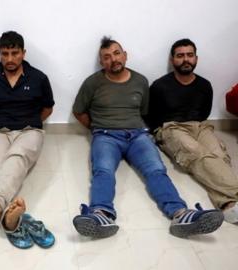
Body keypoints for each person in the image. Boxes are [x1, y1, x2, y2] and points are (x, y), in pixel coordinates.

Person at [71, 36, 224, 239]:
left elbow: (144, 112)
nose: (113, 59)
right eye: (106, 57)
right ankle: (101, 214)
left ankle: (181, 213)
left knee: (156, 170)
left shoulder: (140, 81)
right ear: (102, 62)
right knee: (103, 171)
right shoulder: (93, 83)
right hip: (106, 135)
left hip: (138, 136)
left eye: (117, 53)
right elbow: (78, 111)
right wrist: (97, 129)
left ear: (125, 56)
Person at [146, 38, 238, 224]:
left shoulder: (204, 85)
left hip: (199, 126)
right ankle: (234, 193)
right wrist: (160, 135)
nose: (185, 59)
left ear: (196, 58)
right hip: (170, 127)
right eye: (180, 56)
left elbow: (203, 113)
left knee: (219, 154)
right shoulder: (160, 86)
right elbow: (151, 117)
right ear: (173, 60)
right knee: (197, 154)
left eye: (190, 55)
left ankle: (227, 204)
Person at [0, 31, 55, 248]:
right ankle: (12, 220)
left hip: (29, 130)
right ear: (0, 54)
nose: (10, 59)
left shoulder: (39, 78)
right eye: (5, 54)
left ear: (23, 53)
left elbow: (47, 108)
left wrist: (30, 123)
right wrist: (0, 125)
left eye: (14, 53)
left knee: (16, 157)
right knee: (0, 166)